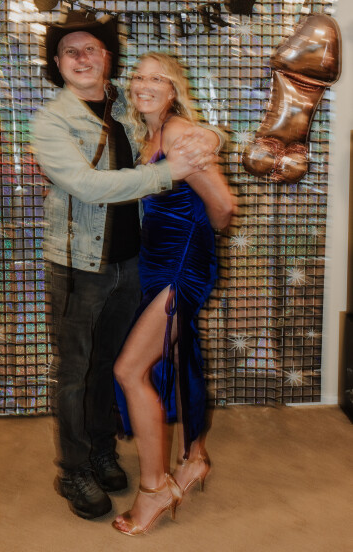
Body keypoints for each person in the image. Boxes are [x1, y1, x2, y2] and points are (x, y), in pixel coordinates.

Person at [32, 11, 225, 521]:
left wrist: (211, 138)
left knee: (112, 367)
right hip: (79, 264)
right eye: (69, 51)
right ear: (57, 63)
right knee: (76, 372)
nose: (81, 58)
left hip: (134, 263)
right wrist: (168, 172)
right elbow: (88, 186)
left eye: (90, 48)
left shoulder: (123, 107)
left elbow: (174, 124)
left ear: (106, 58)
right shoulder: (51, 121)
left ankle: (101, 449)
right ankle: (74, 467)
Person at [112, 52, 235, 535]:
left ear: (173, 89)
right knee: (178, 358)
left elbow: (223, 206)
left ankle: (154, 489)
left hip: (180, 265)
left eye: (157, 78)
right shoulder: (150, 134)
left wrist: (195, 235)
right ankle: (194, 458)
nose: (144, 84)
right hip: (157, 263)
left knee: (130, 369)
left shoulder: (180, 132)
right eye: (138, 76)